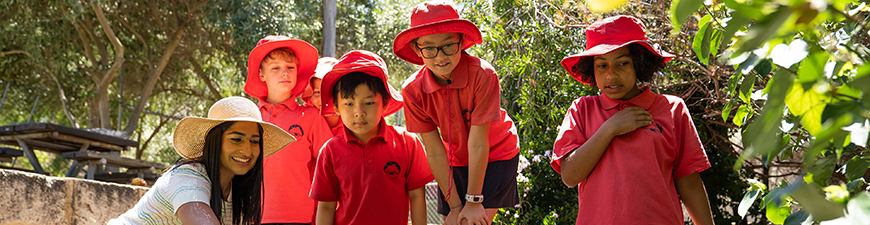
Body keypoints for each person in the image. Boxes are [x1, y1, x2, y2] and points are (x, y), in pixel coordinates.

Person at [550, 15, 715, 225]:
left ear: (640, 63)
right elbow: (570, 176)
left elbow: (688, 181)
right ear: (591, 68)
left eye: (623, 64)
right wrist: (610, 128)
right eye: (602, 66)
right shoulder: (581, 110)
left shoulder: (672, 109)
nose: (611, 75)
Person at [392, 1, 520, 224]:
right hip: (454, 159)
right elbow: (434, 150)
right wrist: (455, 205)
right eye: (429, 48)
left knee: (471, 221)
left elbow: (479, 142)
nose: (440, 56)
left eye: (448, 45)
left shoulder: (483, 75)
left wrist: (472, 201)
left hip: (496, 153)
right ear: (416, 49)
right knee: (453, 220)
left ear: (461, 41)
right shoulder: (412, 90)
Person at [109, 96, 296, 225]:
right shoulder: (187, 176)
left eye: (254, 141)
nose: (247, 150)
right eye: (236, 139)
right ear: (215, 142)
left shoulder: (235, 190)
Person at [308, 50, 433, 225]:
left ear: (385, 103)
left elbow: (417, 196)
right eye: (349, 104)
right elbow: (327, 206)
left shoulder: (408, 143)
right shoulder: (329, 151)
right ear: (336, 107)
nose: (359, 112)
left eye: (368, 103)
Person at [244, 35, 334, 225]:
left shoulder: (311, 117)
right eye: (275, 68)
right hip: (253, 217)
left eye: (290, 67)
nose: (284, 73)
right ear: (261, 74)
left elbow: (331, 163)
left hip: (301, 219)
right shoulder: (247, 115)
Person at [301, 57, 342, 134]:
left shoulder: (353, 122)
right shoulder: (303, 121)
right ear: (310, 96)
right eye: (317, 92)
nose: (323, 98)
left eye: (330, 92)